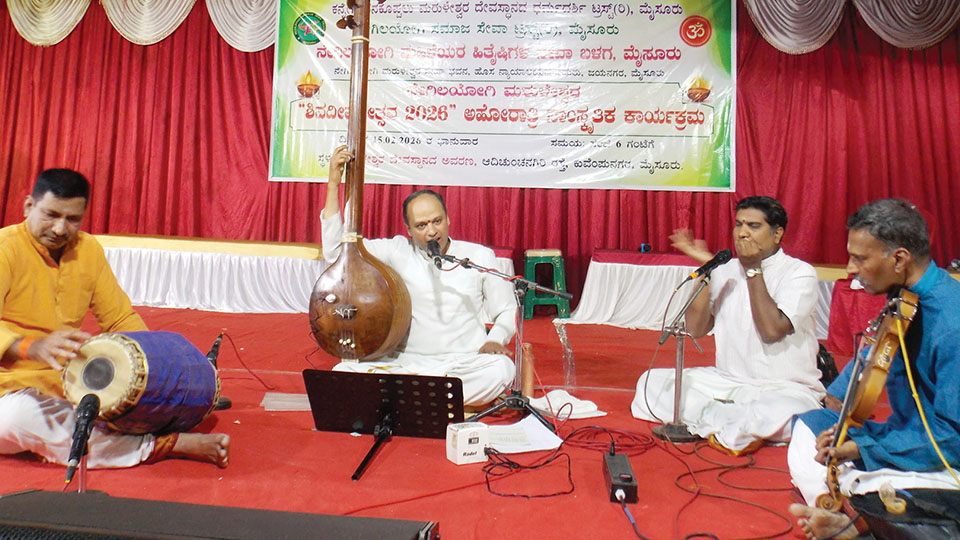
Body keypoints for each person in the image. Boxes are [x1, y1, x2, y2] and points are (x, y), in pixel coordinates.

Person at [0, 168, 229, 471]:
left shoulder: (87, 250)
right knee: (14, 419)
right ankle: (161, 445)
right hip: (7, 389)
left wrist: (156, 373)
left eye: (72, 219)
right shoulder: (5, 249)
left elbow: (119, 318)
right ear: (29, 206)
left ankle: (93, 433)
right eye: (51, 215)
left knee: (117, 392)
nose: (60, 228)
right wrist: (31, 346)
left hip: (67, 385)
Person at [788, 199, 960, 539]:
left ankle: (854, 515)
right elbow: (876, 350)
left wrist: (864, 448)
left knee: (878, 483)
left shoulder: (952, 322)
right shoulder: (904, 296)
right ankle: (838, 505)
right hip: (902, 435)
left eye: (860, 258)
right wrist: (839, 398)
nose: (850, 268)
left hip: (942, 453)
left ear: (899, 259)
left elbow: (953, 438)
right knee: (810, 426)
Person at [320, 146, 516, 406]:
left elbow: (507, 310)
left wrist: (494, 340)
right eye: (421, 226)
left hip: (463, 364)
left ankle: (406, 401)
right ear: (409, 230)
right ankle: (431, 399)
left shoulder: (479, 256)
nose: (431, 231)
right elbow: (336, 253)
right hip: (406, 365)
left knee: (501, 370)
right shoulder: (397, 250)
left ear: (448, 219)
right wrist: (333, 185)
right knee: (344, 371)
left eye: (437, 221)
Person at [631, 196, 824, 453]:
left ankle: (720, 419)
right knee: (651, 384)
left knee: (791, 411)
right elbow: (696, 329)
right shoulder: (725, 269)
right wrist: (707, 270)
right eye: (738, 224)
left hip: (782, 387)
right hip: (725, 383)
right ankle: (731, 423)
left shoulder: (799, 273)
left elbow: (771, 331)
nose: (742, 233)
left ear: (777, 233)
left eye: (753, 226)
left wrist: (753, 269)